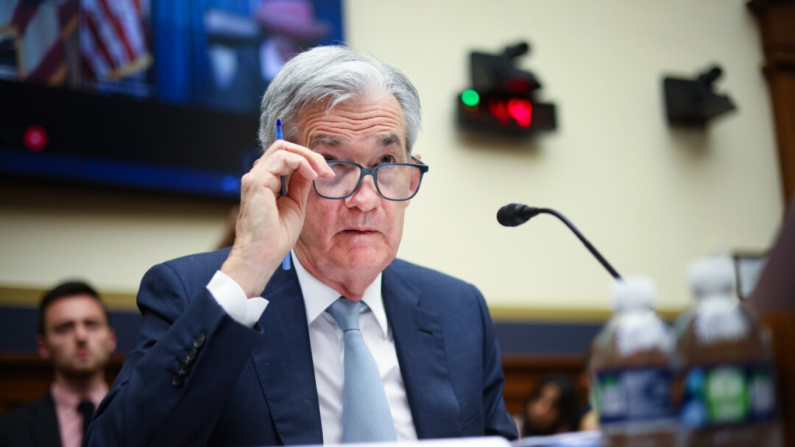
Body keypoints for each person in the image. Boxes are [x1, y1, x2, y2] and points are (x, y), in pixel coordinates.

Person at [85, 45, 517, 446]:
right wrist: (249, 267)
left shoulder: (459, 311)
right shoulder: (193, 292)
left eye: (386, 163)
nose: (364, 199)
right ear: (281, 171)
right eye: (331, 164)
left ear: (412, 171)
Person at [0, 281, 117, 447]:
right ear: (44, 346)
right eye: (65, 328)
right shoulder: (10, 430)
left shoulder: (142, 419)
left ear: (111, 339)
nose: (81, 336)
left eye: (91, 324)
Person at [516, 375, 581, 438]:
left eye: (553, 405)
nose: (540, 410)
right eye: (539, 397)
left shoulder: (569, 438)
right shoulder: (515, 428)